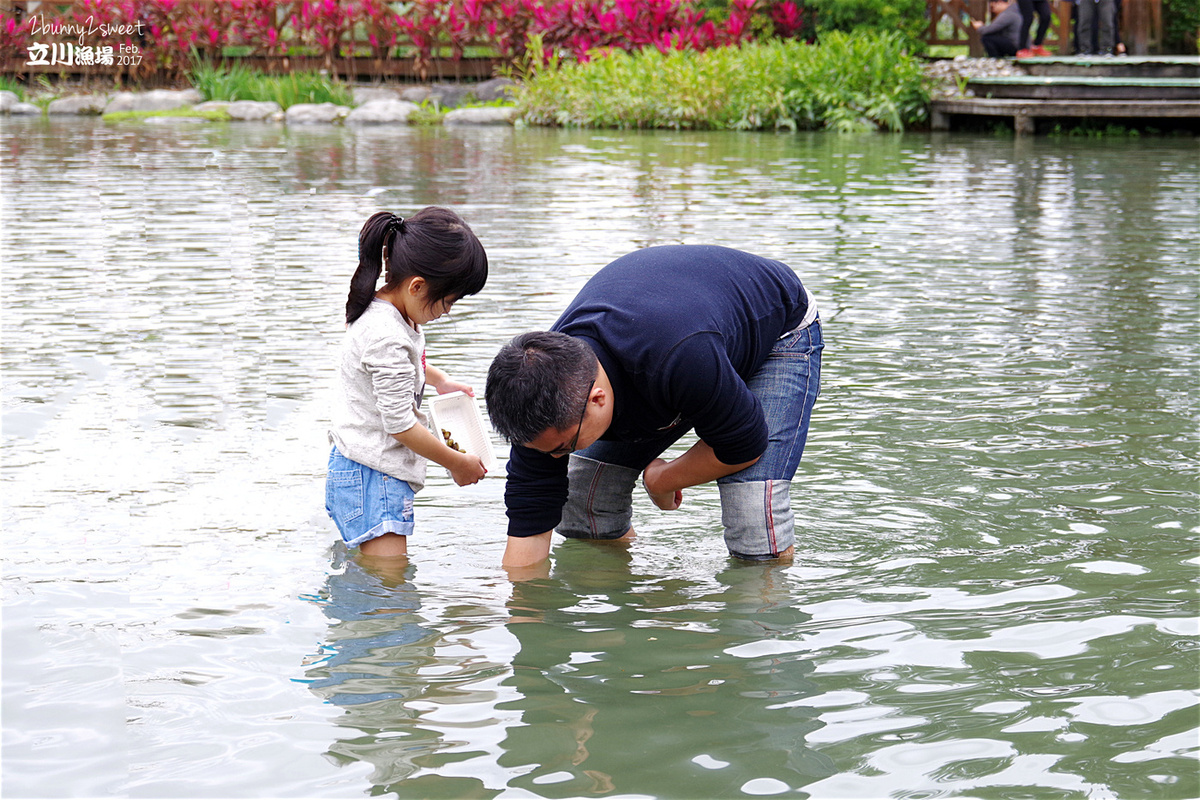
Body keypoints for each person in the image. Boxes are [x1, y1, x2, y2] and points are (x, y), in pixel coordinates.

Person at [485, 245, 823, 569]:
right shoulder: (535, 394)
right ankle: (628, 602)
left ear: (596, 399)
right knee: (584, 502)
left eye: (563, 449)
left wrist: (663, 479)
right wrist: (521, 613)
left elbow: (743, 445)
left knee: (752, 519)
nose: (555, 458)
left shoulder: (678, 360)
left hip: (777, 329)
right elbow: (530, 520)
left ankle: (758, 620)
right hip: (685, 339)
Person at [326, 207, 489, 558]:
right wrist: (455, 462)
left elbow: (393, 370)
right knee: (390, 596)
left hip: (361, 468)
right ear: (417, 286)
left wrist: (438, 380)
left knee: (373, 577)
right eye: (448, 301)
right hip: (373, 476)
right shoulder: (388, 335)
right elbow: (400, 424)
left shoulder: (385, 310)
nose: (448, 311)